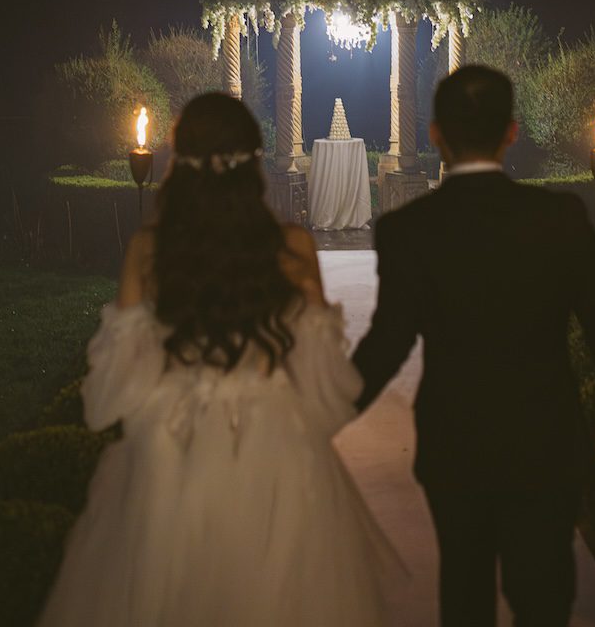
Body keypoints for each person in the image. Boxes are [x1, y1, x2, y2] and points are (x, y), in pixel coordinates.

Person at [39, 92, 392, 627]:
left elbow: (115, 389)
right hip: (273, 447)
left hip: (171, 448)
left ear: (180, 164)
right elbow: (326, 388)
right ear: (252, 163)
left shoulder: (149, 249)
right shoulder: (292, 246)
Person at [352, 65, 595, 627]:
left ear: (435, 134)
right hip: (546, 443)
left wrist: (325, 413)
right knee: (546, 597)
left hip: (453, 443)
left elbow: (387, 344)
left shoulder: (408, 229)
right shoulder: (560, 217)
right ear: (511, 132)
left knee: (464, 593)